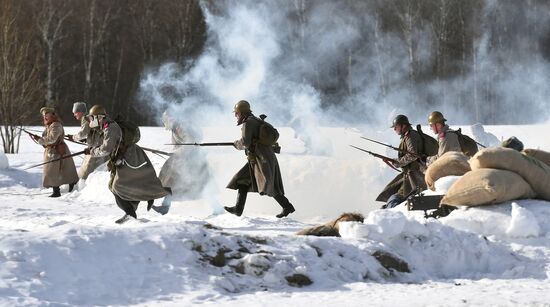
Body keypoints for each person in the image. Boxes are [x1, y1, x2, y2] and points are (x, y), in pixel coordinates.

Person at [84, 105, 169, 224]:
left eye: (92, 118)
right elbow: (108, 143)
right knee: (120, 186)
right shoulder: (106, 126)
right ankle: (134, 209)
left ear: (99, 117)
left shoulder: (110, 127)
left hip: (129, 158)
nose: (91, 121)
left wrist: (92, 151)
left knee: (117, 187)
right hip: (124, 157)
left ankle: (132, 213)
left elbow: (106, 149)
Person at [224, 100, 295, 218]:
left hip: (262, 158)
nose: (236, 116)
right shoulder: (254, 120)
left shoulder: (248, 123)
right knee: (242, 179)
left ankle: (287, 206)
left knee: (269, 183)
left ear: (242, 112)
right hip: (261, 157)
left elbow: (245, 143)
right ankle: (238, 208)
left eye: (236, 113)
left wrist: (236, 144)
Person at [153, 110, 211, 215]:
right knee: (173, 182)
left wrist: (177, 153)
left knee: (200, 184)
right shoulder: (176, 127)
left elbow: (189, 142)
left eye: (166, 119)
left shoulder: (180, 126)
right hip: (187, 158)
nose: (165, 122)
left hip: (190, 160)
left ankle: (165, 206)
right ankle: (165, 206)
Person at [377, 115, 427, 209]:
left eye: (396, 126)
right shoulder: (408, 135)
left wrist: (397, 162)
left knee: (394, 199)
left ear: (403, 126)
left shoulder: (410, 136)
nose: (394, 129)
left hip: (414, 176)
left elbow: (413, 155)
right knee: (392, 198)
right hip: (411, 175)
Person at [31, 107, 79, 197]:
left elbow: (52, 139)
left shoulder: (56, 125)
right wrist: (39, 138)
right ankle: (59, 189)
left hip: (58, 151)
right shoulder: (50, 125)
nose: (45, 117)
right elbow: (47, 138)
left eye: (47, 114)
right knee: (55, 171)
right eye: (44, 115)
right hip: (52, 151)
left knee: (56, 171)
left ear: (52, 115)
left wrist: (40, 140)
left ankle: (60, 190)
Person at [66, 102, 108, 184]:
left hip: (95, 149)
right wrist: (85, 140)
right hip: (98, 147)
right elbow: (93, 132)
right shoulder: (91, 119)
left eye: (75, 112)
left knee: (86, 172)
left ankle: (82, 187)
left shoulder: (86, 119)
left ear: (80, 112)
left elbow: (83, 133)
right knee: (96, 169)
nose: (74, 114)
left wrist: (73, 137)